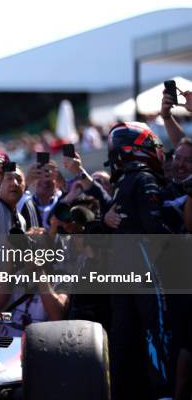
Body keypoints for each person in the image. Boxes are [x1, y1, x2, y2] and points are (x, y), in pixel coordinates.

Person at [104, 122, 174, 400]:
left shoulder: (122, 182)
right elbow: (154, 228)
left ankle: (122, 390)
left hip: (120, 270)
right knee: (156, 331)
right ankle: (164, 391)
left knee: (122, 334)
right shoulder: (144, 179)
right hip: (145, 269)